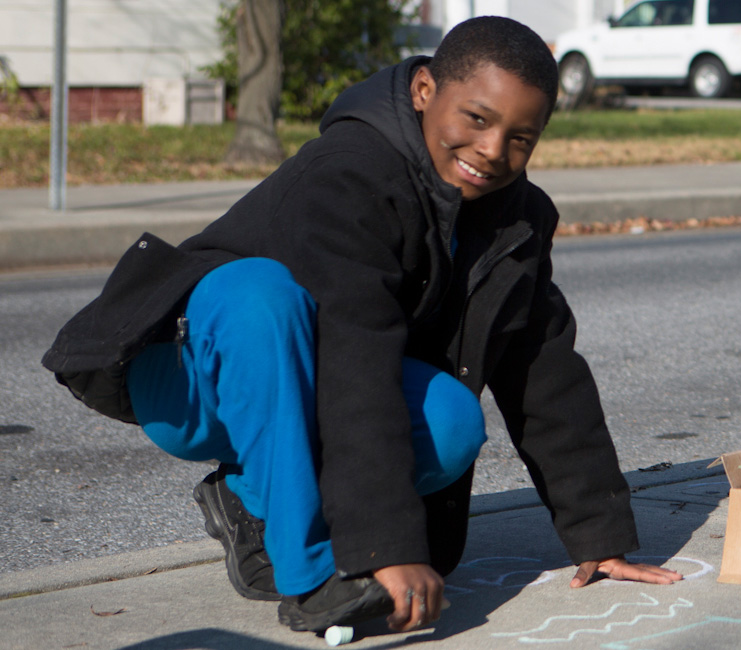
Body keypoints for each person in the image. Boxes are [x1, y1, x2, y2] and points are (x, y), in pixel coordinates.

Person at [40, 17, 679, 635]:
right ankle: (314, 578)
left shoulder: (518, 218)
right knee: (260, 293)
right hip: (193, 375)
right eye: (477, 119)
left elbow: (543, 366)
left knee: (453, 421)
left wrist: (598, 535)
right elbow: (355, 355)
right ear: (426, 91)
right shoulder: (348, 173)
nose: (492, 150)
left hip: (313, 375)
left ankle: (251, 498)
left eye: (521, 136)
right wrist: (382, 545)